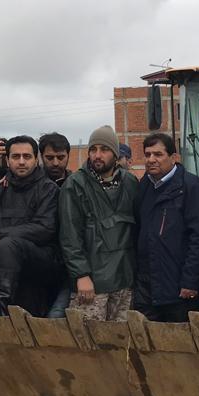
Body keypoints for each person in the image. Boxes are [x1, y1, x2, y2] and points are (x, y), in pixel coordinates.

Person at [59, 125, 139, 321]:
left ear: (115, 153)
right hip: (91, 284)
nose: (97, 155)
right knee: (88, 345)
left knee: (122, 344)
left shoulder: (130, 183)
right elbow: (70, 235)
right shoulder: (75, 185)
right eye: (93, 150)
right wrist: (81, 275)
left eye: (104, 150)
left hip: (125, 280)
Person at [0, 136, 60, 316]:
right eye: (15, 157)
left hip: (40, 262)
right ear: (7, 160)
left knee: (8, 244)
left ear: (36, 159)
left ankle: (1, 305)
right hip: (4, 267)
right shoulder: (1, 188)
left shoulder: (48, 189)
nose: (21, 162)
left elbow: (45, 228)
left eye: (27, 156)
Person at [133, 132, 199, 322]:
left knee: (178, 345)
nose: (151, 160)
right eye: (148, 154)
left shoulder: (192, 187)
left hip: (179, 289)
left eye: (158, 155)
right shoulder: (144, 186)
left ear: (174, 157)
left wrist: (190, 281)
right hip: (147, 286)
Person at [37, 132, 73, 317]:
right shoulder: (30, 184)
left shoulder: (76, 184)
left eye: (61, 157)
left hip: (68, 264)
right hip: (38, 262)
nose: (56, 163)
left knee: (57, 318)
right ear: (41, 156)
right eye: (49, 158)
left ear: (68, 155)